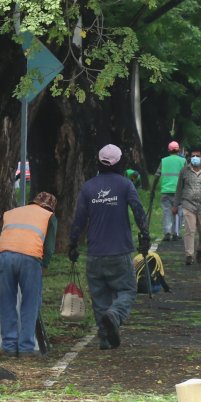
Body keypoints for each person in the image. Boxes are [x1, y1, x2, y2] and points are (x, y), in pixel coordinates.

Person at [69, 144, 150, 350]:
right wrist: (145, 234)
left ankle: (105, 340)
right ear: (120, 162)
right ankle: (115, 315)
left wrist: (72, 244)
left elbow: (78, 220)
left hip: (95, 254)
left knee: (99, 298)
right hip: (120, 252)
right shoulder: (125, 185)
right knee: (128, 290)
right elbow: (138, 211)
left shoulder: (88, 187)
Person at [0, 192, 57, 357]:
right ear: (50, 207)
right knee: (30, 302)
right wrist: (44, 265)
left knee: (7, 301)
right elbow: (48, 247)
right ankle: (26, 348)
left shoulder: (13, 212)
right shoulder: (49, 216)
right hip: (29, 256)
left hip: (3, 254)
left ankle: (9, 347)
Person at [174, 148, 201, 265]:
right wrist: (175, 204)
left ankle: (199, 249)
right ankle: (189, 255)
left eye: (197, 156)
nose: (195, 158)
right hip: (188, 205)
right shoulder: (184, 171)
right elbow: (179, 189)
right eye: (193, 155)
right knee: (190, 230)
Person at [157, 141, 185, 241]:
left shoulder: (163, 160)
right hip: (179, 192)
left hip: (166, 190)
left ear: (168, 150)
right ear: (178, 150)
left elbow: (157, 175)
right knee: (179, 212)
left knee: (166, 211)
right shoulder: (183, 161)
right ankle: (176, 233)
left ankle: (167, 232)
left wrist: (152, 189)